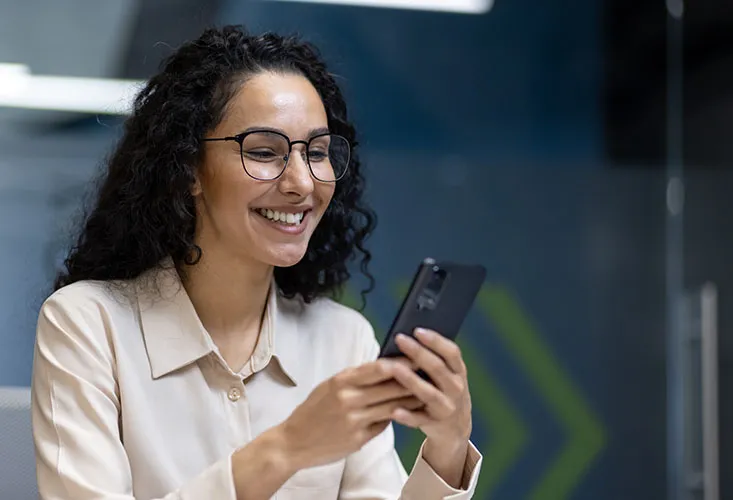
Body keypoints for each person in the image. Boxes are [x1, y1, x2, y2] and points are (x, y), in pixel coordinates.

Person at [31, 25, 482, 500]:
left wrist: (447, 448)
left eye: (318, 152)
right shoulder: (86, 324)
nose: (302, 183)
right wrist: (288, 448)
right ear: (188, 169)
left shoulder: (343, 340)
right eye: (264, 152)